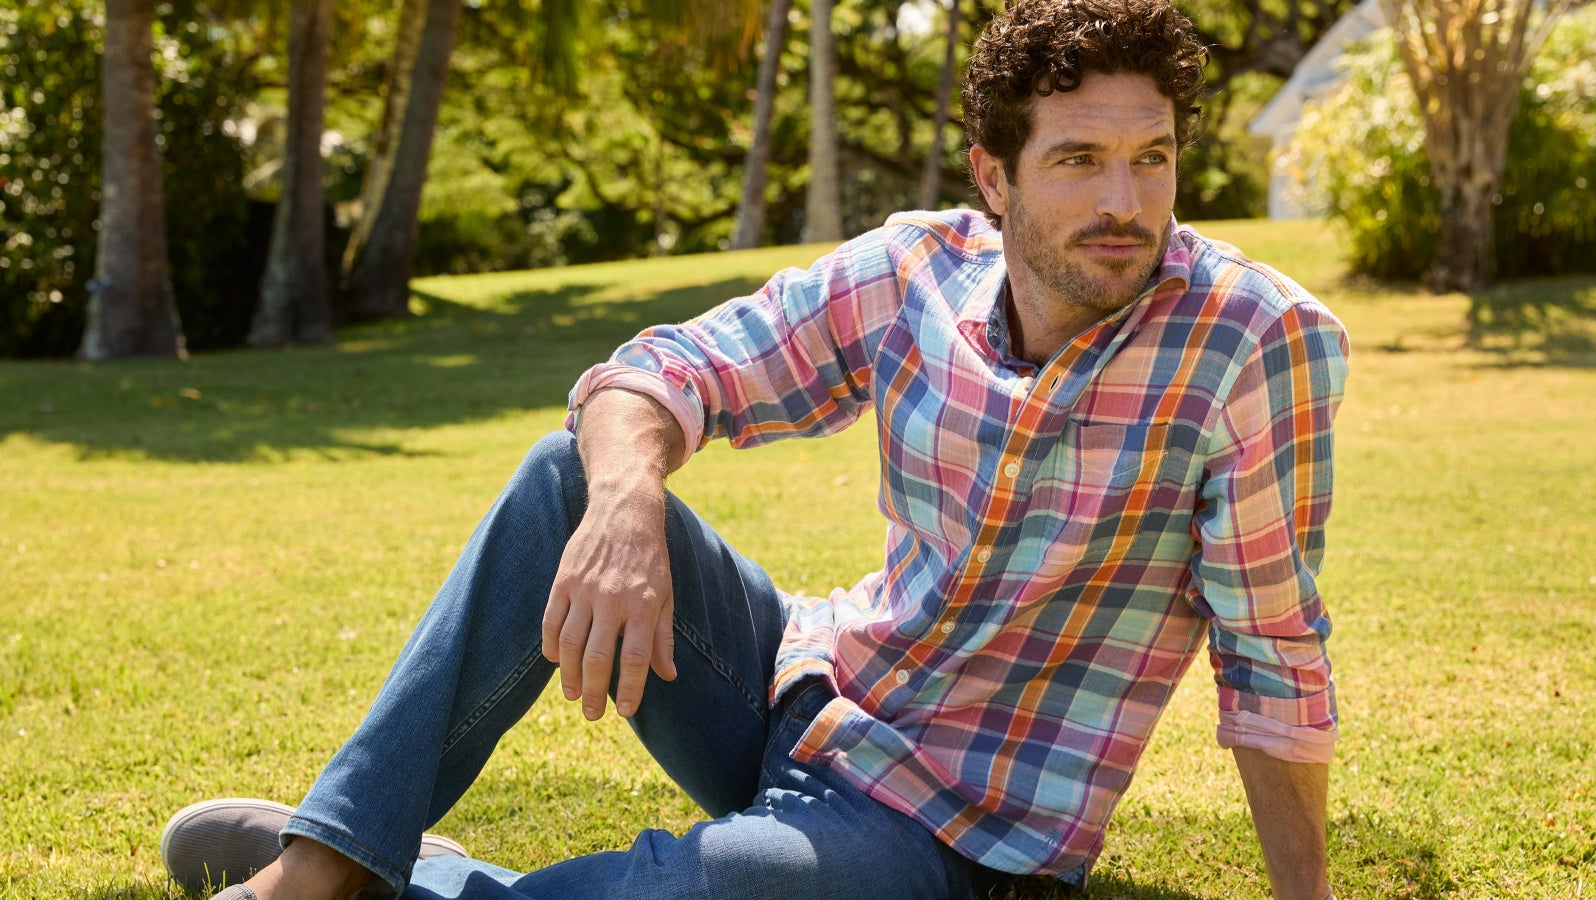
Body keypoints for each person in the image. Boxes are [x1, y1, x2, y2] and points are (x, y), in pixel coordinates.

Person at [161, 1, 1347, 898]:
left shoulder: (1254, 343)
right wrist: (625, 504)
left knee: (719, 886)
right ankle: (324, 866)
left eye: (1153, 157)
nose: (1128, 205)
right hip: (805, 693)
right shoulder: (916, 269)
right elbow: (663, 369)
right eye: (1079, 161)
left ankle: (408, 873)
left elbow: (1270, 656)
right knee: (567, 472)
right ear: (994, 177)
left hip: (963, 828)